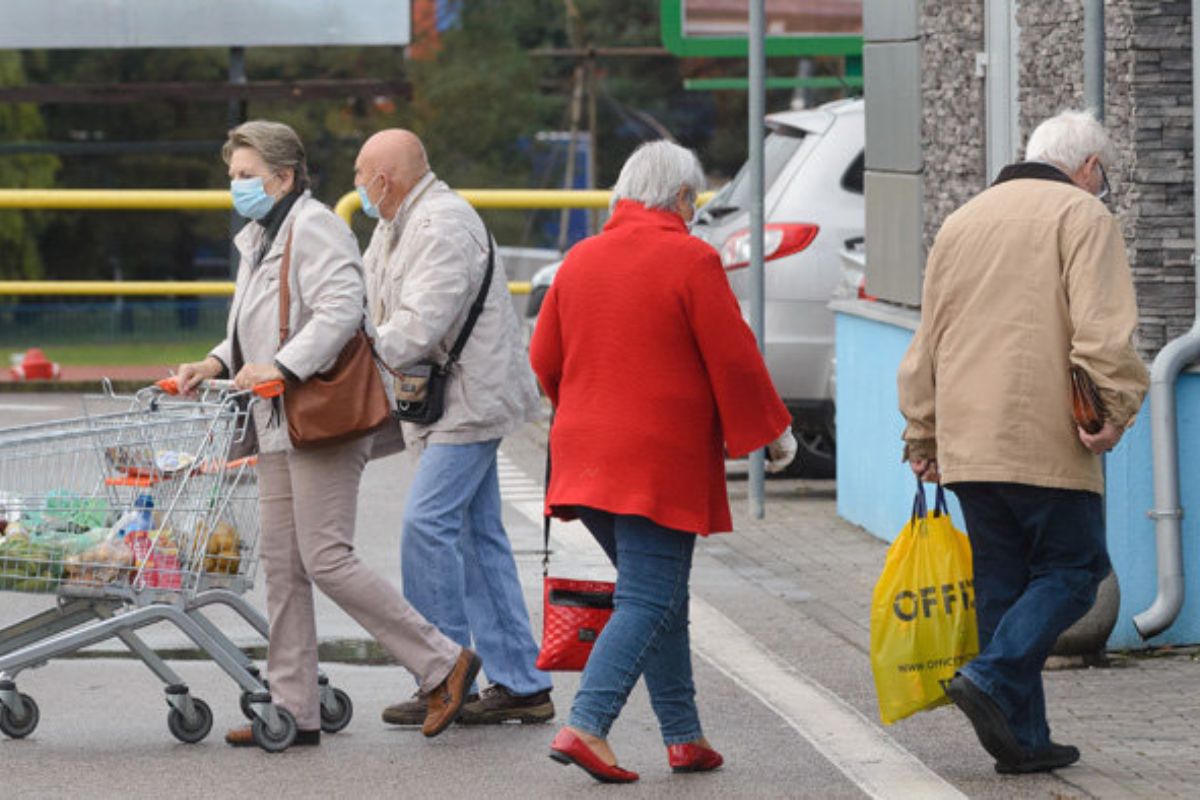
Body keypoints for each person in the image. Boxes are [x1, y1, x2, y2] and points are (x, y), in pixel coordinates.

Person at [176, 120, 480, 750]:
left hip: (319, 416)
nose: (235, 185)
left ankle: (441, 662)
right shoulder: (261, 236)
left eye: (245, 175)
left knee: (325, 557)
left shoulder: (315, 227)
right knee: (283, 566)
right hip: (277, 418)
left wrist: (283, 368)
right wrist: (213, 363)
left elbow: (343, 310)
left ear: (284, 177)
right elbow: (254, 326)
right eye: (232, 175)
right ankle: (294, 707)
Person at [529, 140, 797, 784]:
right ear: (680, 197)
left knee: (661, 595)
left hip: (582, 458)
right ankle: (587, 724)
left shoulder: (579, 258)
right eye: (694, 200)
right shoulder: (691, 259)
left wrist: (586, 412)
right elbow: (733, 357)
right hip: (656, 462)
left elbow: (543, 358)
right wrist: (772, 432)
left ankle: (684, 736)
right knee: (649, 599)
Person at [897, 109, 1149, 774]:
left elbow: (928, 340)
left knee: (1003, 589)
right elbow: (1102, 332)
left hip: (967, 441)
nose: (1102, 187)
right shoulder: (1082, 216)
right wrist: (1114, 409)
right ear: (1088, 167)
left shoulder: (963, 220)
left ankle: (1025, 742)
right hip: (1045, 437)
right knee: (1076, 572)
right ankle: (992, 673)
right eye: (1103, 175)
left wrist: (922, 432)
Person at [353, 130, 554, 727]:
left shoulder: (442, 226)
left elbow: (417, 324)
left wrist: (355, 359)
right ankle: (521, 683)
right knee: (474, 536)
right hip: (452, 400)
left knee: (427, 524)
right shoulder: (394, 227)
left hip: (470, 403)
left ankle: (442, 672)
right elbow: (366, 303)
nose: (356, 186)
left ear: (385, 180)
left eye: (361, 175)